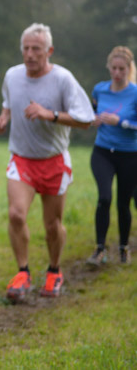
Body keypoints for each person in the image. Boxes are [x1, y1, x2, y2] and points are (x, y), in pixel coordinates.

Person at [0, 23, 95, 302]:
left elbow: (86, 120)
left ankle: (54, 270)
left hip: (54, 162)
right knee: (16, 214)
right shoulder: (12, 75)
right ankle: (22, 272)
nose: (29, 54)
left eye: (36, 49)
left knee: (52, 225)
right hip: (21, 159)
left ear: (49, 51)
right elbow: (8, 105)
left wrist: (50, 114)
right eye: (25, 48)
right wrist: (2, 120)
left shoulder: (63, 79)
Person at [87, 46, 137, 267]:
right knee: (104, 198)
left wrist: (121, 123)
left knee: (123, 204)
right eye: (113, 68)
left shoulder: (135, 93)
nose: (117, 73)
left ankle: (124, 247)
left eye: (121, 69)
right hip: (103, 152)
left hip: (130, 155)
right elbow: (89, 112)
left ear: (129, 69)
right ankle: (100, 249)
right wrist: (92, 120)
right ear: (108, 67)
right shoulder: (99, 90)